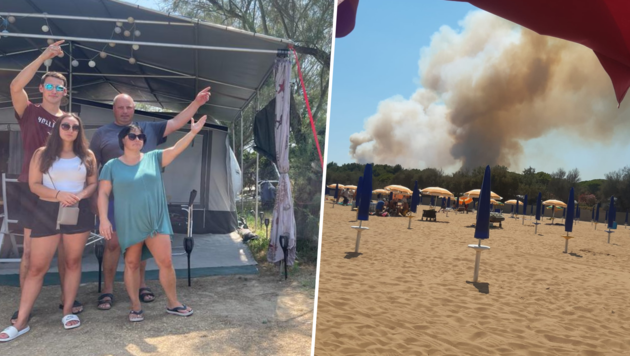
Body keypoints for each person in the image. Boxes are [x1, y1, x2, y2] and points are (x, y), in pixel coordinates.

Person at [89, 89, 210, 310]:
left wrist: (196, 103)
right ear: (113, 109)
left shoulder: (148, 129)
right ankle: (108, 289)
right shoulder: (102, 135)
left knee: (144, 245)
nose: (125, 111)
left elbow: (175, 123)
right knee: (114, 245)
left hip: (147, 203)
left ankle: (142, 286)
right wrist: (94, 205)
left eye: (129, 107)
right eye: (120, 107)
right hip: (118, 201)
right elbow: (90, 165)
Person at [0, 114, 97, 341]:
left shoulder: (88, 155)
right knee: (36, 267)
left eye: (75, 126)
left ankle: (67, 311)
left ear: (79, 131)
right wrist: (58, 195)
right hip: (46, 211)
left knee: (72, 262)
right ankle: (22, 321)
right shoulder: (42, 154)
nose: (70, 129)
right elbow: (34, 185)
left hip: (78, 211)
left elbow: (92, 184)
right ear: (57, 128)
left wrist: (79, 195)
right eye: (65, 125)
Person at [8, 40, 84, 324]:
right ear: (41, 89)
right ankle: (24, 307)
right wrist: (45, 55)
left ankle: (68, 300)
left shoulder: (70, 121)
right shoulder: (29, 112)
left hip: (66, 193)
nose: (54, 91)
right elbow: (16, 86)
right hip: (32, 191)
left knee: (67, 251)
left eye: (58, 87)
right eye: (49, 86)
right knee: (30, 253)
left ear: (65, 92)